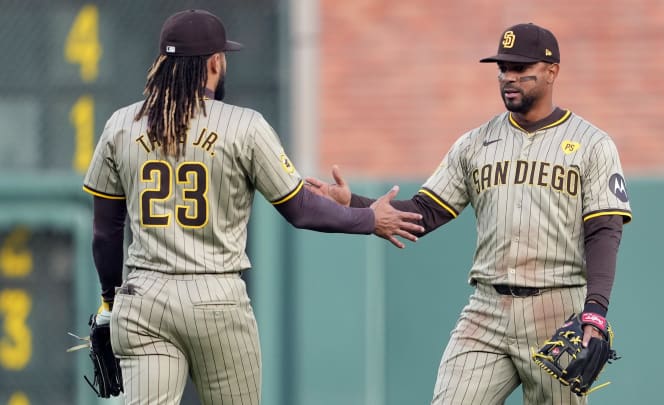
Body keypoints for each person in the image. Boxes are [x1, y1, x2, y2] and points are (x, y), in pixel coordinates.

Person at [81, 9, 423, 405]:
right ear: (214, 62)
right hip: (217, 295)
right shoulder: (244, 125)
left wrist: (110, 300)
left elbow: (105, 232)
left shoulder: (121, 125)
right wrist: (368, 218)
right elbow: (300, 209)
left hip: (144, 299)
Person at [306, 23, 632, 405]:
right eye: (503, 68)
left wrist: (595, 311)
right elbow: (425, 212)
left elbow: (604, 231)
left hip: (557, 307)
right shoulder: (475, 143)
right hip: (487, 309)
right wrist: (355, 205)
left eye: (520, 68)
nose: (508, 78)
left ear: (552, 71)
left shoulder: (593, 144)